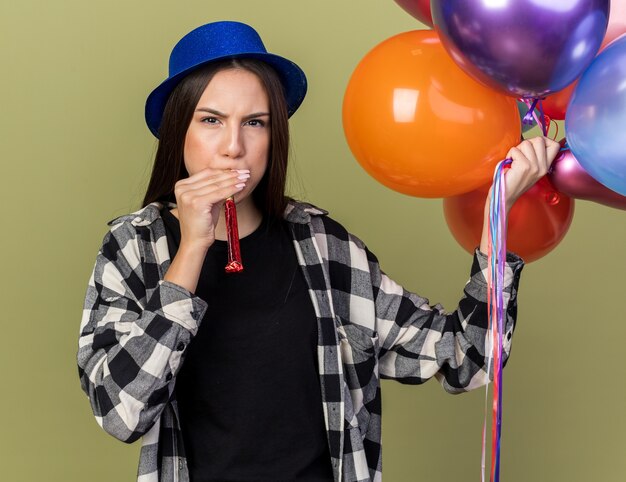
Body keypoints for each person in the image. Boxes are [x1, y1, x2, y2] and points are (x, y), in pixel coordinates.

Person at [77, 20, 560, 482]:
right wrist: (193, 247)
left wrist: (495, 221)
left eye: (255, 123)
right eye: (210, 120)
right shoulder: (133, 247)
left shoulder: (326, 247)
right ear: (178, 131)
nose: (233, 146)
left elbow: (469, 358)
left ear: (275, 136)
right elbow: (122, 413)